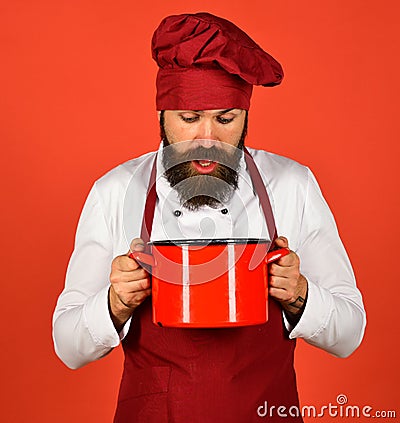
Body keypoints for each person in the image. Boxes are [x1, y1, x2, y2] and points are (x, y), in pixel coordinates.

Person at [53, 12, 366, 423]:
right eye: (189, 119)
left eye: (225, 119)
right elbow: (68, 346)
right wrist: (115, 303)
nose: (207, 138)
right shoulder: (113, 192)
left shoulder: (293, 186)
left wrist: (300, 293)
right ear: (162, 115)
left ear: (245, 117)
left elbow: (350, 334)